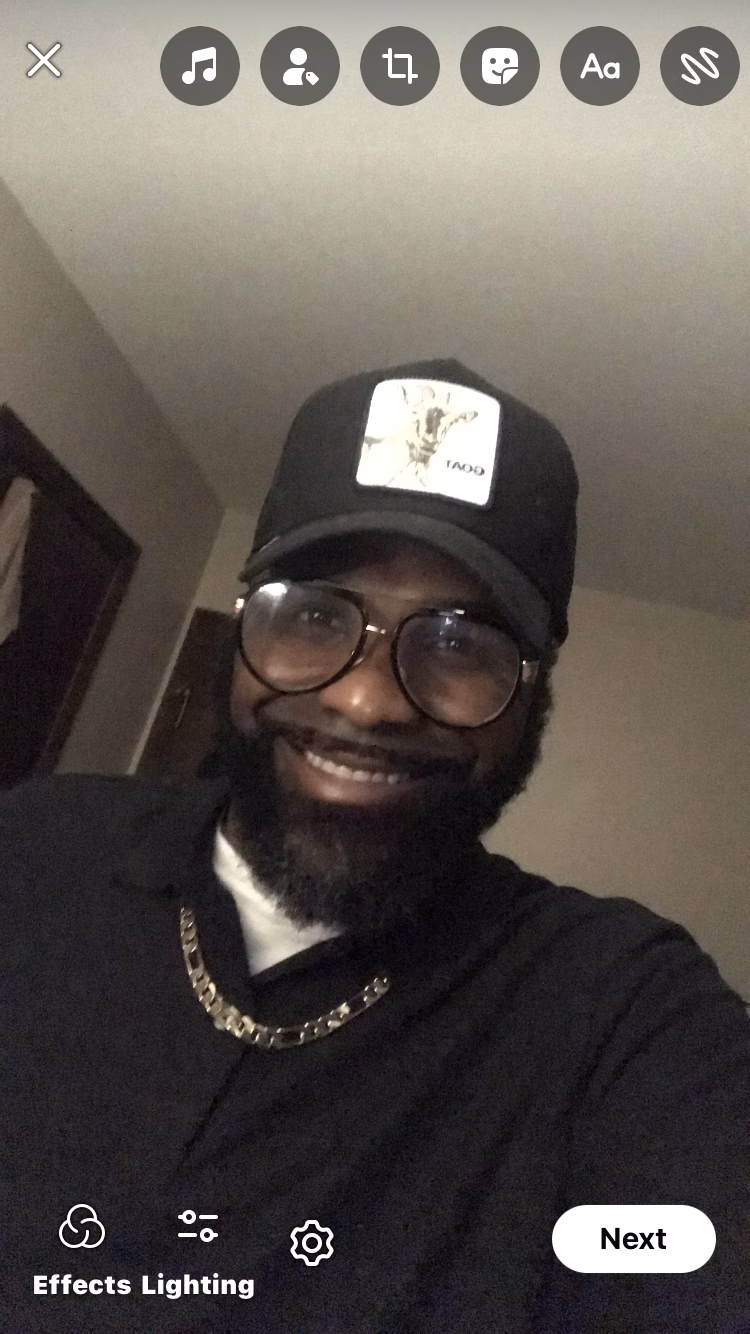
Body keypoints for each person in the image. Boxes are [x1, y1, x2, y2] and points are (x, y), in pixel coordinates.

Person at [2, 359, 749, 1334]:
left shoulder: (618, 1008)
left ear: (532, 695)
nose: (367, 700)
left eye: (459, 641)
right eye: (316, 614)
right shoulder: (35, 840)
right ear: (245, 625)